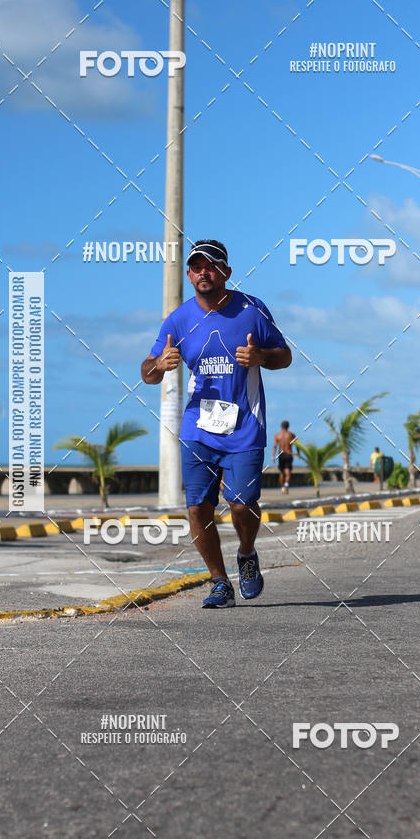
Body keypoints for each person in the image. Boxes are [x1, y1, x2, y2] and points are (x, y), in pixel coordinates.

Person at [141, 240, 292, 609]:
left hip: (245, 425)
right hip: (198, 427)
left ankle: (247, 552)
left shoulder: (252, 310)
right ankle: (220, 582)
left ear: (226, 272)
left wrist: (260, 356)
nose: (203, 272)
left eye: (211, 266)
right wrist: (159, 365)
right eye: (196, 266)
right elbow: (147, 372)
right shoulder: (178, 319)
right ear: (188, 274)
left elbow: (284, 356)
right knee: (197, 508)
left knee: (241, 504)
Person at [272, 420, 296, 494]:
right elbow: (297, 445)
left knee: (281, 472)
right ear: (288, 426)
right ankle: (286, 484)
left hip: (281, 454)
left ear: (281, 426)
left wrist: (273, 456)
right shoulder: (291, 434)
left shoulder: (277, 435)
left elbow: (274, 446)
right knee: (288, 471)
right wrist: (298, 453)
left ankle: (282, 488)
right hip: (289, 454)